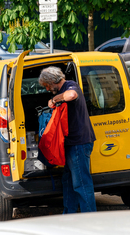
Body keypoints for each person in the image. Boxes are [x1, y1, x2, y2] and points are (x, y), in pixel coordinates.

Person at [38, 66, 97, 214]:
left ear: (52, 81)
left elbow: (71, 95)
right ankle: (69, 215)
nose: (47, 89)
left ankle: (91, 220)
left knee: (81, 184)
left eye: (46, 86)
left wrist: (54, 99)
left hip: (79, 143)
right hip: (72, 144)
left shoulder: (70, 85)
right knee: (69, 182)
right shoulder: (64, 88)